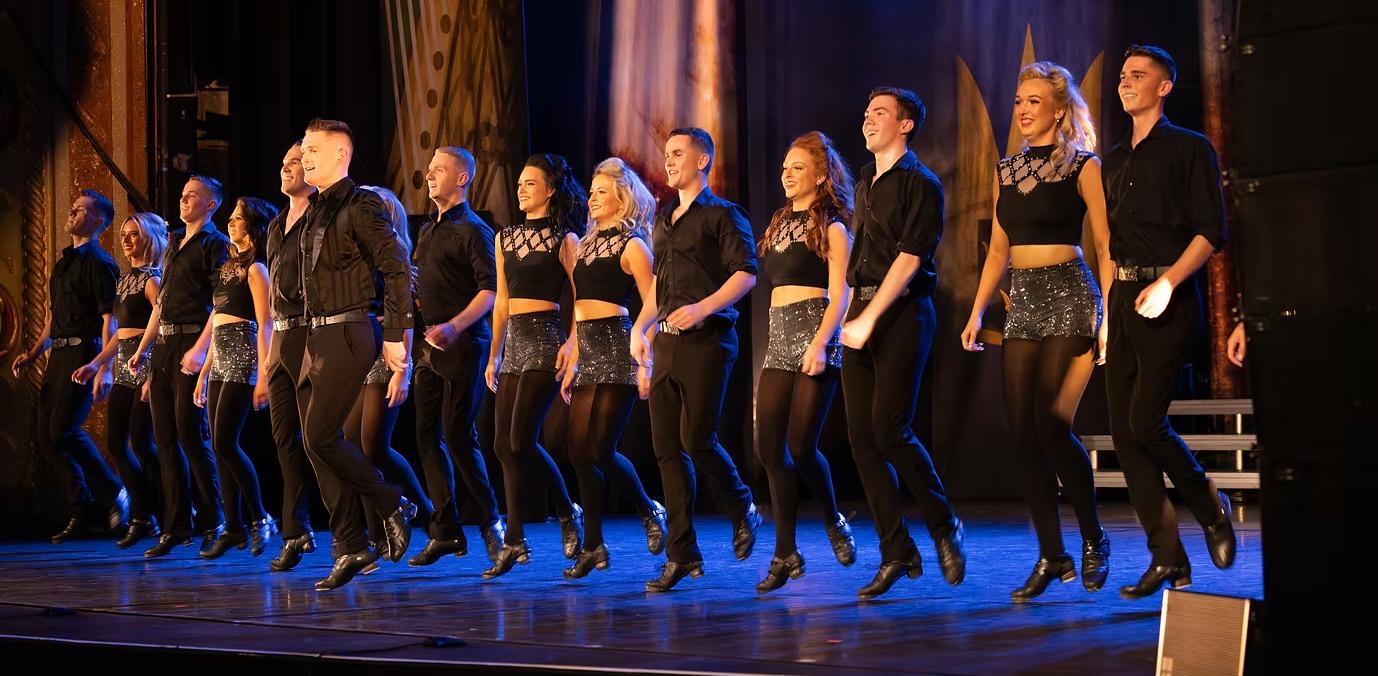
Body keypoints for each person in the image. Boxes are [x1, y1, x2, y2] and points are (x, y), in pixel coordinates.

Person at [960, 62, 1112, 603]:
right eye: (1018, 101)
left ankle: (1093, 538)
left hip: (1071, 295)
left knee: (1051, 424)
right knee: (1022, 432)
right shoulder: (1006, 170)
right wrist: (977, 311)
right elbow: (998, 251)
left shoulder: (1084, 166)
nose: (1022, 110)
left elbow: (1106, 244)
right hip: (1023, 301)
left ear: (1059, 109)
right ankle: (1052, 554)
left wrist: (1109, 315)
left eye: (1033, 101)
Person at [1102, 45, 1236, 599]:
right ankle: (1168, 559)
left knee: (1146, 423)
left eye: (1138, 75)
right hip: (1122, 297)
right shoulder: (1113, 159)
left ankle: (1209, 505)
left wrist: (1168, 283)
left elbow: (1211, 231)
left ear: (1164, 86)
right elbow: (1110, 244)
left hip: (1169, 295)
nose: (1125, 82)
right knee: (1124, 435)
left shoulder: (1190, 147)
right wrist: (1107, 311)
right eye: (1122, 75)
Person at [841, 87, 966, 599]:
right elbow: (860, 263)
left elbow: (910, 258)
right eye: (866, 112)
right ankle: (896, 550)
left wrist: (870, 318)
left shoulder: (922, 183)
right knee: (861, 439)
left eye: (880, 113)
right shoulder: (865, 183)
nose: (868, 120)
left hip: (903, 313)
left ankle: (943, 523)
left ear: (906, 123)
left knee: (891, 430)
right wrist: (849, 318)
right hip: (861, 309)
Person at [630, 127, 761, 593]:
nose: (668, 161)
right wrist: (640, 329)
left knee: (697, 439)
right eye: (666, 154)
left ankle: (741, 503)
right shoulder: (664, 219)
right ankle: (682, 553)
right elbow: (659, 288)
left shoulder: (723, 214)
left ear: (702, 160)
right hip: (666, 344)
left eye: (678, 153)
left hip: (709, 340)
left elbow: (746, 273)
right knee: (666, 448)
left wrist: (704, 307)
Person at [294, 118, 416, 590]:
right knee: (316, 442)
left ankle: (390, 501)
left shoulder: (361, 203)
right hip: (317, 334)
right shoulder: (315, 209)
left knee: (321, 436)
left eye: (313, 150)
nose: (305, 157)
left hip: (350, 329)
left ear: (341, 155)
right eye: (303, 149)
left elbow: (397, 266)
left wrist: (395, 334)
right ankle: (351, 544)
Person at [753, 132, 858, 593]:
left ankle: (833, 518)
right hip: (779, 339)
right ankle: (785, 552)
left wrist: (819, 343)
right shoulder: (778, 224)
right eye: (784, 168)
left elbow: (841, 294)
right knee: (768, 447)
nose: (787, 174)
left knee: (800, 445)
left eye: (797, 167)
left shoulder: (831, 227)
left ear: (820, 175)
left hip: (817, 336)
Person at [560, 157, 667, 579]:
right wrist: (573, 353)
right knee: (577, 452)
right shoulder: (584, 246)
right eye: (592, 191)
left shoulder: (633, 245)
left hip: (618, 348)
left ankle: (648, 508)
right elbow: (577, 305)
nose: (592, 198)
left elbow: (655, 300)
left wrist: (646, 358)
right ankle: (593, 546)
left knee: (600, 449)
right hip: (587, 350)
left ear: (621, 200)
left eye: (602, 192)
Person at [481, 153, 586, 579]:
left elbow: (582, 297)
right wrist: (494, 353)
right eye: (520, 182)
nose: (521, 189)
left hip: (546, 340)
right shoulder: (504, 237)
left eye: (530, 183)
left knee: (521, 440)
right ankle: (516, 540)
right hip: (514, 343)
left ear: (550, 189)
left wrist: (574, 343)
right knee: (502, 445)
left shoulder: (566, 239)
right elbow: (502, 302)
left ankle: (565, 511)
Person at [407, 147, 506, 567]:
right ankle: (446, 531)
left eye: (439, 169)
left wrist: (455, 326)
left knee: (459, 436)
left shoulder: (474, 230)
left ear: (462, 178)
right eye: (429, 169)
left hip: (464, 344)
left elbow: (490, 290)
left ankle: (492, 525)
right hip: (429, 347)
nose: (429, 175)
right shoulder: (428, 229)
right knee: (426, 436)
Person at [11, 189, 127, 542]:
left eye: (80, 210)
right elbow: (53, 318)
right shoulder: (63, 264)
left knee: (63, 430)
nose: (71, 213)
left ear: (98, 220)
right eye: (72, 208)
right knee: (47, 438)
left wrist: (103, 366)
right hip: (58, 356)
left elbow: (110, 319)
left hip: (84, 353)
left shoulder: (101, 263)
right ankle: (83, 506)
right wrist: (33, 353)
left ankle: (115, 492)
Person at [133, 176, 229, 558]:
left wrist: (201, 350)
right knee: (165, 439)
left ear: (211, 204)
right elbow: (160, 305)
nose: (184, 199)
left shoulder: (215, 244)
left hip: (191, 342)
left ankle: (216, 521)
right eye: (183, 194)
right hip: (164, 346)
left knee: (191, 436)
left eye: (193, 195)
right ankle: (175, 527)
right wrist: (144, 349)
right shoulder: (174, 244)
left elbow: (222, 302)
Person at [194, 197, 279, 558]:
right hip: (220, 357)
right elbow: (217, 321)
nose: (231, 222)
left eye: (238, 218)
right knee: (218, 444)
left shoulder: (256, 269)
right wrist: (203, 372)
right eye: (230, 217)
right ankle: (233, 527)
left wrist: (263, 375)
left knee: (226, 442)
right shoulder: (227, 267)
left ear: (253, 226)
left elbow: (266, 323)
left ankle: (260, 518)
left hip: (244, 355)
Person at [87, 212, 169, 548]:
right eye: (124, 234)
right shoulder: (123, 281)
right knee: (116, 444)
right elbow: (120, 335)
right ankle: (144, 513)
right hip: (123, 367)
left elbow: (162, 326)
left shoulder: (152, 280)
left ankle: (160, 512)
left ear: (148, 238)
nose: (126, 240)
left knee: (142, 443)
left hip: (145, 366)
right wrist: (96, 364)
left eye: (134, 234)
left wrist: (152, 374)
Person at [264, 141, 318, 572]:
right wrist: (269, 353)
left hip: (312, 333)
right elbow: (271, 297)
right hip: (282, 337)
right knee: (285, 439)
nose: (286, 168)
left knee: (321, 439)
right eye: (283, 162)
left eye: (295, 162)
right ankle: (295, 531)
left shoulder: (321, 217)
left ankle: (367, 521)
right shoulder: (275, 225)